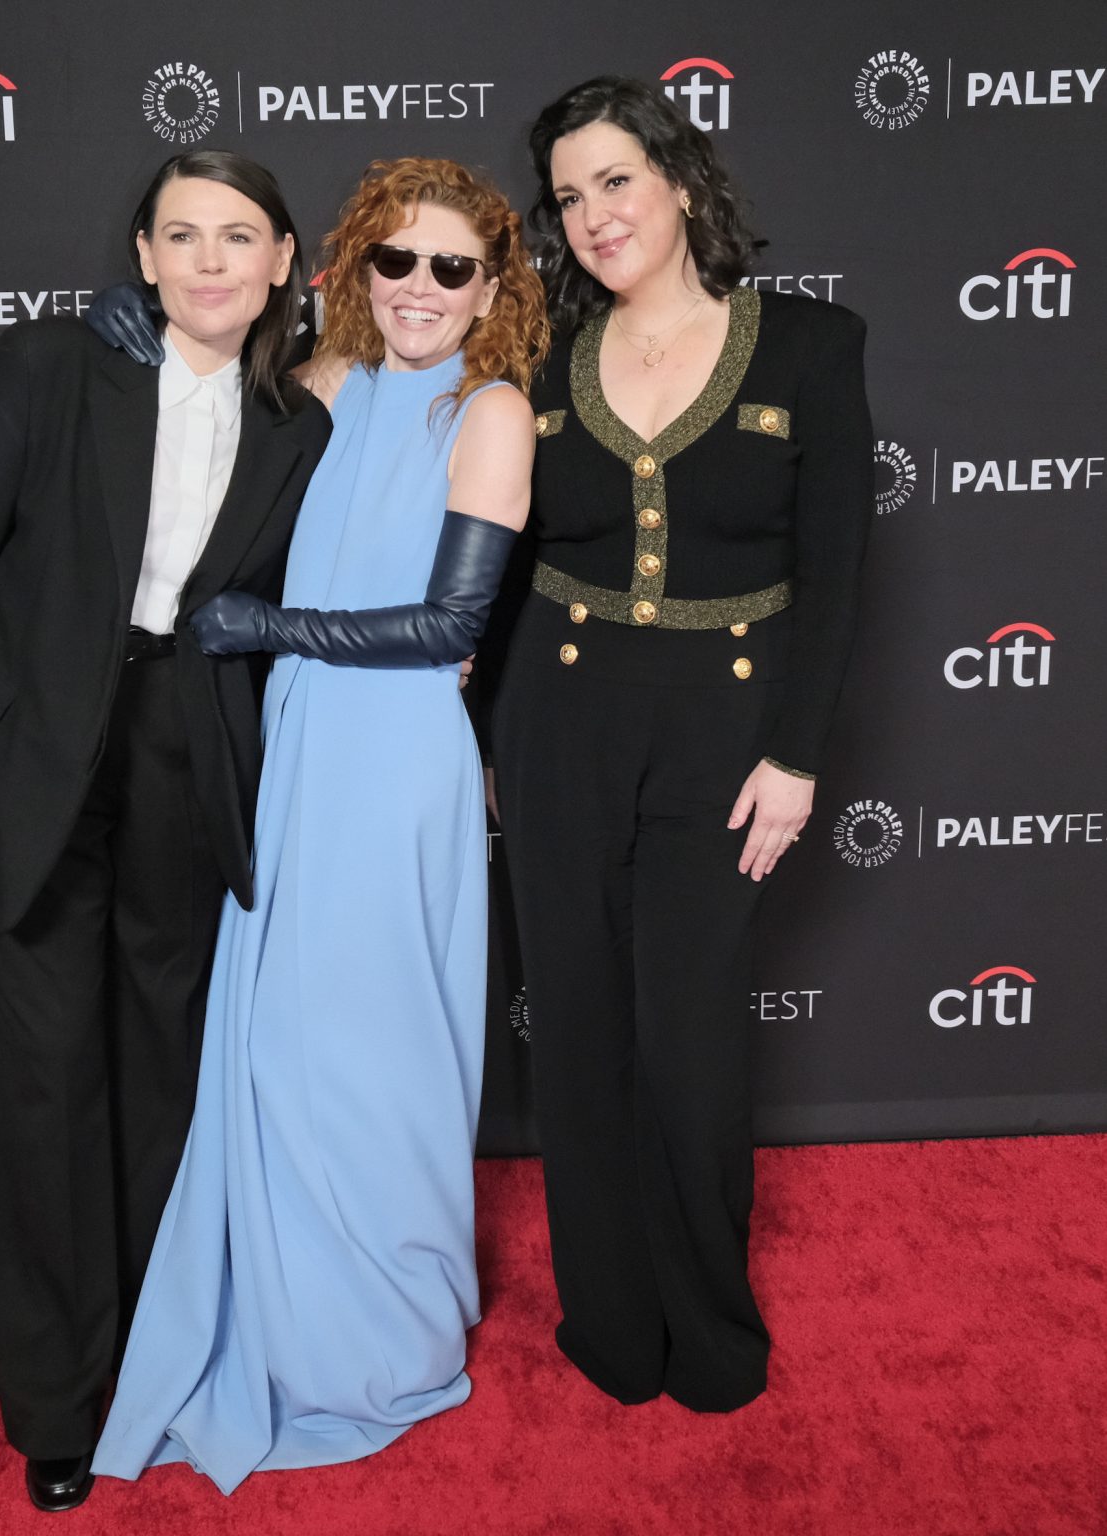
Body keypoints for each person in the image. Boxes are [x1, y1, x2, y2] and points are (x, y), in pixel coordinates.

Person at [88, 156, 544, 1495]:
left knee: (374, 1054)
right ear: (348, 269)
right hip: (287, 745)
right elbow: (191, 445)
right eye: (394, 261)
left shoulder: (493, 410)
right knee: (278, 1044)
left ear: (489, 289)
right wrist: (136, 332)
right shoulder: (324, 389)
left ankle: (378, 1328)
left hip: (391, 761)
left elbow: (451, 627)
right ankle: (271, 1307)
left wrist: (269, 629)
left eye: (451, 268)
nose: (418, 289)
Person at [0, 150, 331, 1511]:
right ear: (141, 255)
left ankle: (159, 1359)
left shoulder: (297, 429)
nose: (208, 260)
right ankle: (55, 1403)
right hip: (32, 768)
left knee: (164, 1083)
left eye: (236, 236)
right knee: (42, 1091)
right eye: (180, 234)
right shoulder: (44, 368)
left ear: (281, 263)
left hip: (186, 769)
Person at [487, 76, 873, 1413]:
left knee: (690, 1044)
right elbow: (505, 558)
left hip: (723, 732)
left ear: (676, 179)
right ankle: (611, 1326)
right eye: (567, 195)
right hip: (557, 721)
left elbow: (834, 574)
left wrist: (797, 754)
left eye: (614, 180)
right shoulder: (532, 354)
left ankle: (710, 1333)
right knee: (579, 1033)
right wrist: (486, 739)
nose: (593, 215)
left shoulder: (811, 345)